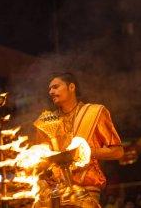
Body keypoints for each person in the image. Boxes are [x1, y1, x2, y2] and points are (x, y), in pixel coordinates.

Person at [34, 72, 124, 204]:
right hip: (56, 190)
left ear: (71, 87)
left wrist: (86, 152)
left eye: (55, 87)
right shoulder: (46, 122)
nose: (51, 92)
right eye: (49, 89)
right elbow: (39, 161)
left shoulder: (95, 113)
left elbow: (118, 152)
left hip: (87, 187)